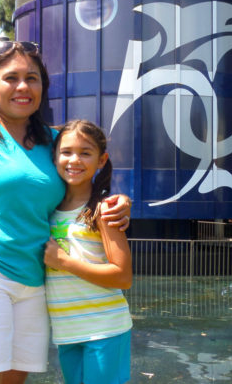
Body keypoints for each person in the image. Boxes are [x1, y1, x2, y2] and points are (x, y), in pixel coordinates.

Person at [0, 38, 131, 384]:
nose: (23, 87)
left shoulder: (53, 141)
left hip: (34, 281)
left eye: (32, 78)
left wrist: (119, 201)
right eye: (11, 77)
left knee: (13, 380)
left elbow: (83, 171)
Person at [44, 119, 133, 384]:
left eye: (85, 153)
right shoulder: (48, 208)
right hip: (66, 330)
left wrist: (64, 262)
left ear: (101, 160)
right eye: (66, 152)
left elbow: (123, 276)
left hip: (105, 329)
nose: (75, 160)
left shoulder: (104, 210)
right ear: (54, 156)